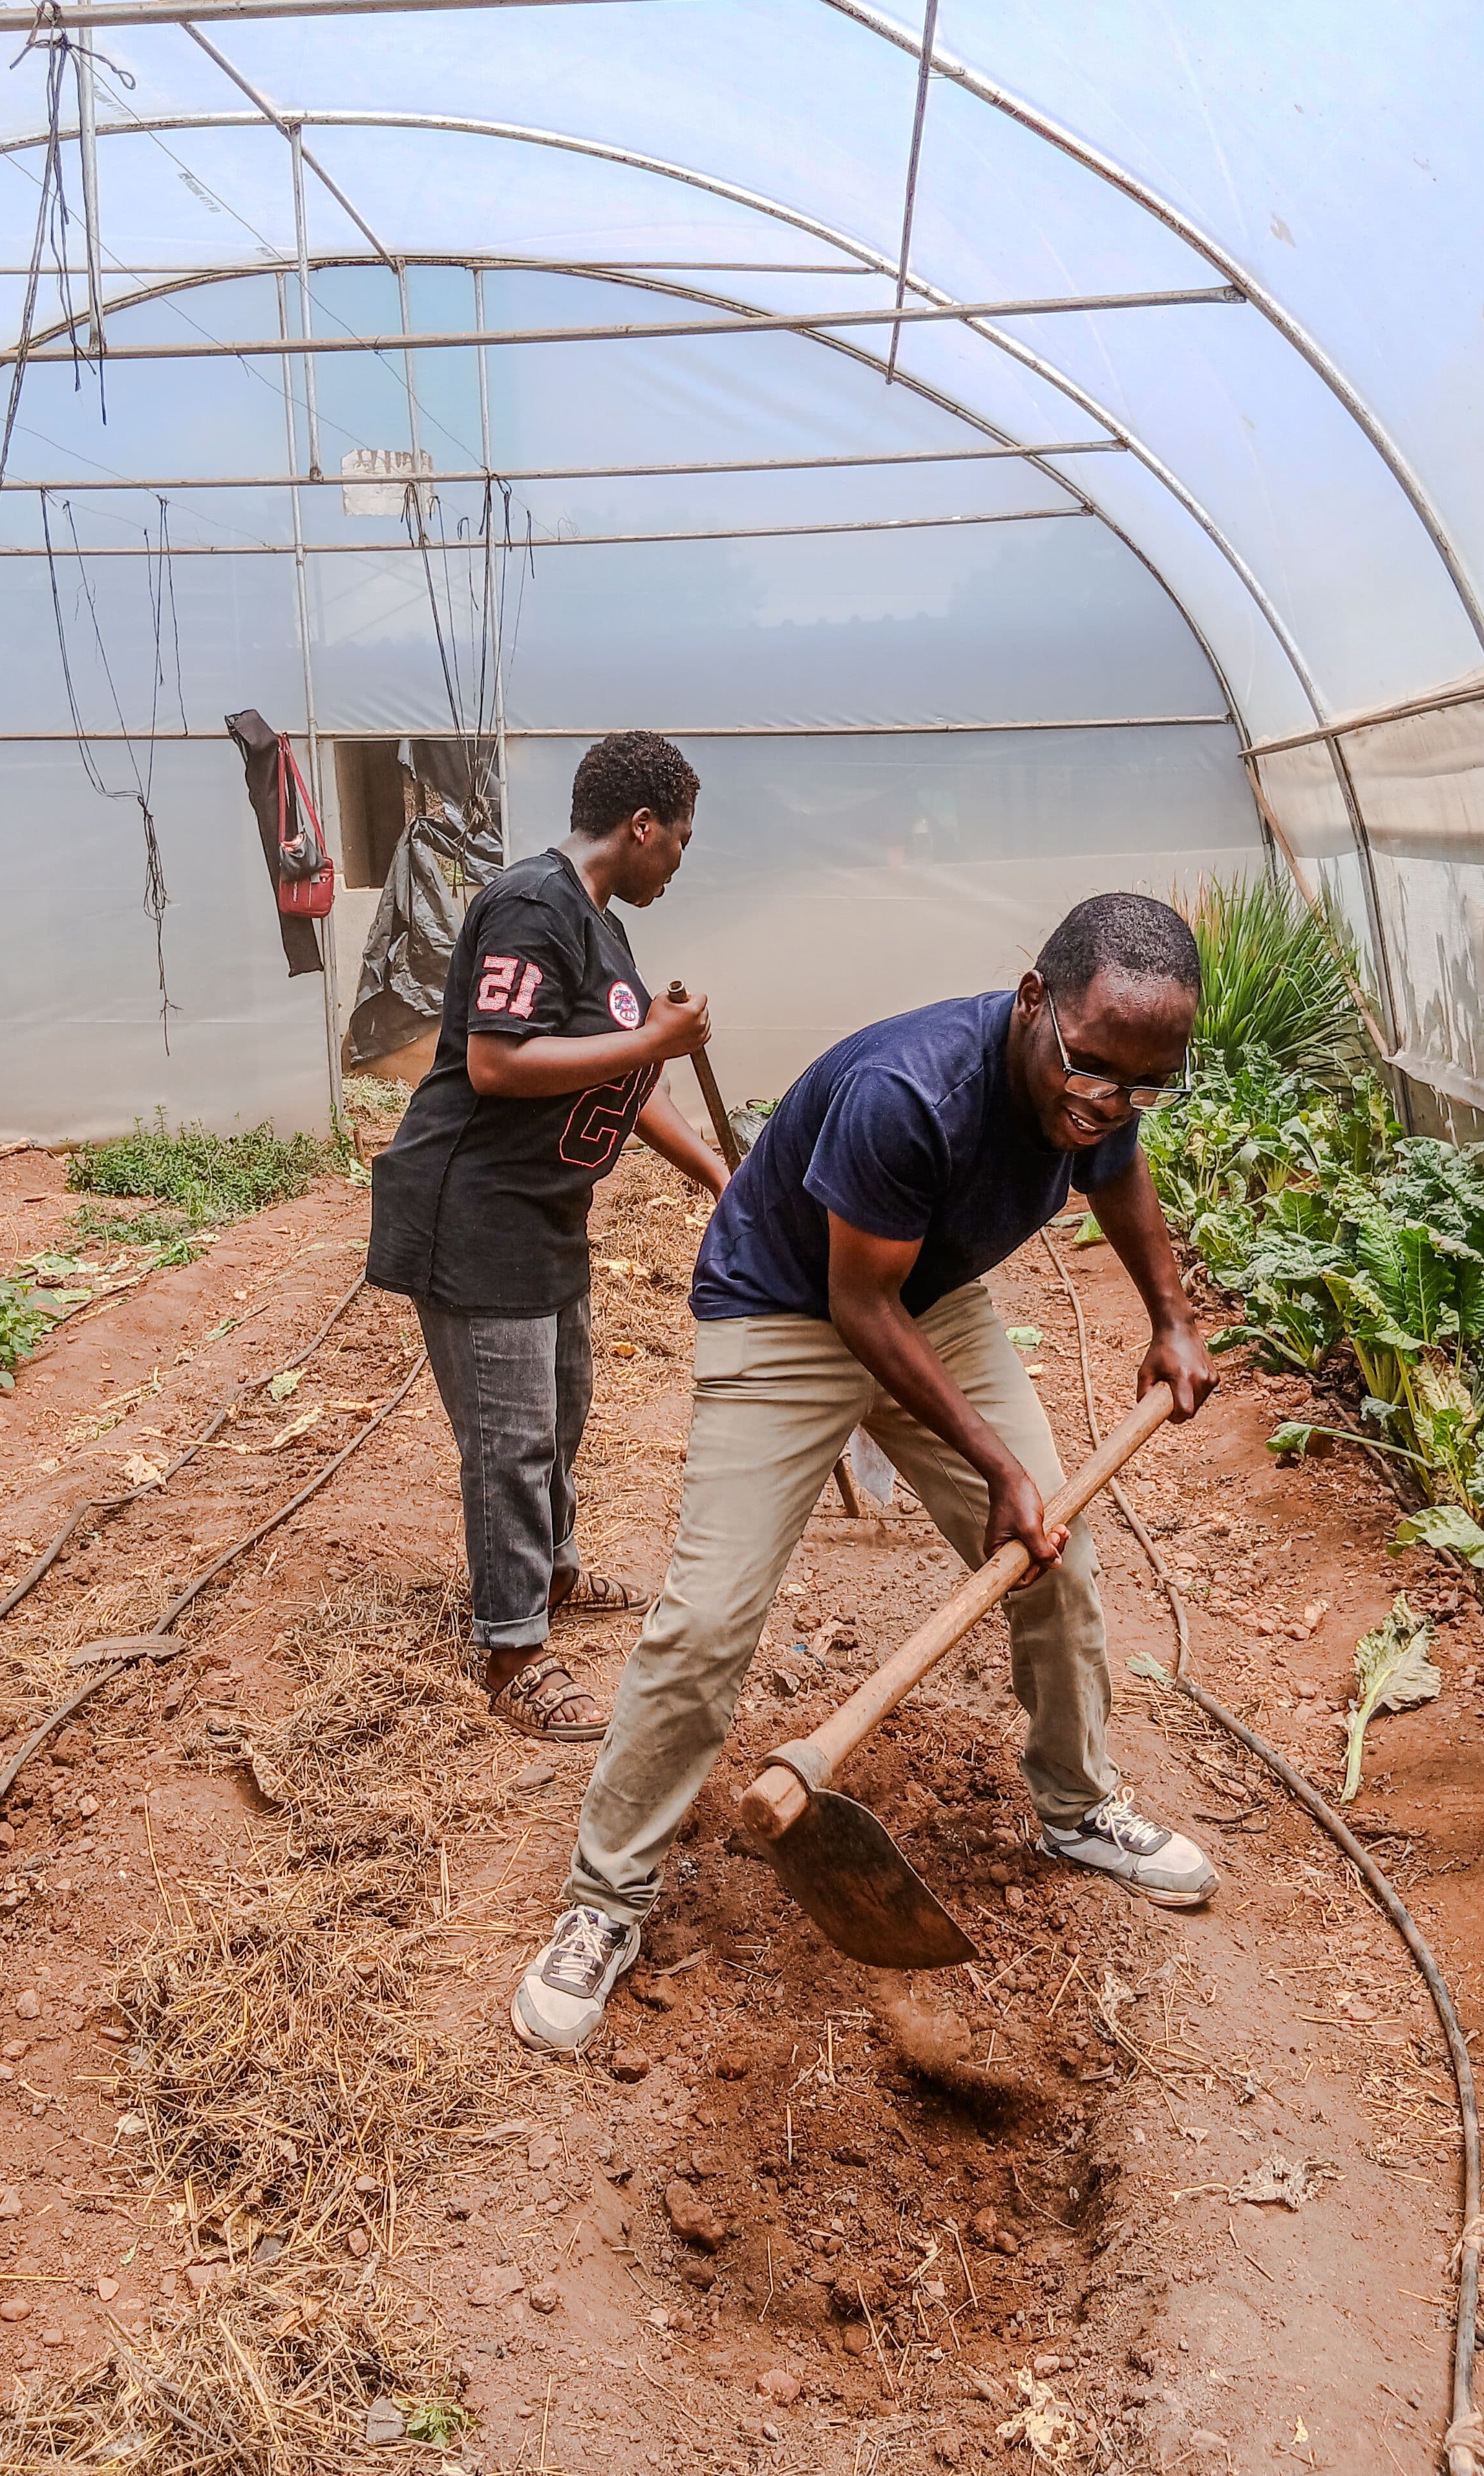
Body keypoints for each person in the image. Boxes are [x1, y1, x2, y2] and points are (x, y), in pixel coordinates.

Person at [511, 890, 1221, 2053]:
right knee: (706, 1620)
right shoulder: (913, 1093)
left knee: (1059, 1563)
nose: (1109, 1106)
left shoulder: (1108, 1075)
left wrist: (1173, 1318)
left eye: (1146, 1086)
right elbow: (855, 1303)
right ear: (1034, 1003)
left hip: (929, 1302)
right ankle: (605, 1897)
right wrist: (994, 1463)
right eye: (1094, 1072)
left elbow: (1117, 1169)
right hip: (791, 1308)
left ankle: (1079, 1807)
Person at [367, 731, 728, 1743]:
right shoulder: (534, 905)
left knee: (561, 1413)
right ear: (642, 826)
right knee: (511, 1441)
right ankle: (514, 1650)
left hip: (543, 1213)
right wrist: (656, 1037)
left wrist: (713, 1171)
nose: (679, 863)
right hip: (474, 1212)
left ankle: (553, 1572)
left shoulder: (600, 927)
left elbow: (623, 1071)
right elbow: (496, 1062)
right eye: (680, 842)